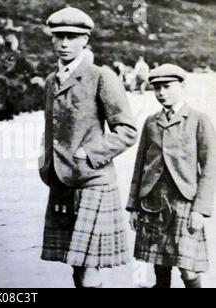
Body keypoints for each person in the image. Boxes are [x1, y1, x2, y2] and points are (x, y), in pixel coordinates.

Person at [39, 7, 137, 288]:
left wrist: (90, 153)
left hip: (93, 180)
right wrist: (45, 163)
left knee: (90, 266)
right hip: (61, 183)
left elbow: (127, 130)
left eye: (72, 37)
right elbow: (50, 131)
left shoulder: (101, 76)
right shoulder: (51, 81)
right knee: (76, 265)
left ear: (85, 40)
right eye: (58, 37)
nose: (64, 43)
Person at [127, 64, 216, 288]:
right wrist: (134, 207)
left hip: (184, 202)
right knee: (159, 263)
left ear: (182, 86)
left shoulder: (198, 119)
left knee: (188, 268)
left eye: (167, 87)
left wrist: (200, 209)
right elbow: (140, 167)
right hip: (153, 202)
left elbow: (210, 168)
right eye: (157, 88)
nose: (161, 93)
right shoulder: (150, 122)